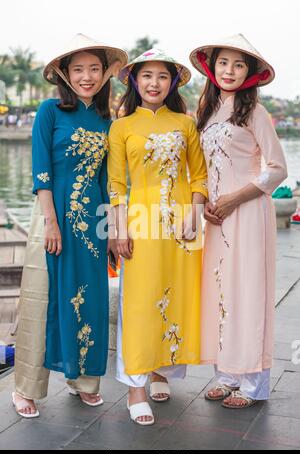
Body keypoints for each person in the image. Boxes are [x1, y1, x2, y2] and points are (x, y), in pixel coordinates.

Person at [12, 34, 127, 418]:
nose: (87, 76)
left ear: (104, 74)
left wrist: (110, 231)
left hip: (91, 224)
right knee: (42, 300)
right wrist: (50, 223)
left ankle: (84, 382)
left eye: (94, 69)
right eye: (78, 69)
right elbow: (41, 172)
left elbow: (106, 181)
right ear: (64, 73)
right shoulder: (49, 111)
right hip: (51, 216)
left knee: (89, 299)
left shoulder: (105, 120)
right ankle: (26, 388)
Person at [108, 49, 208, 425]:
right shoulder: (122, 127)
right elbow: (116, 183)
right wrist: (118, 229)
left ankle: (160, 369)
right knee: (138, 301)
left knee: (177, 295)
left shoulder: (186, 123)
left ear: (173, 82)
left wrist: (195, 214)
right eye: (147, 76)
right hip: (141, 221)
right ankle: (135, 387)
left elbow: (198, 175)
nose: (154, 83)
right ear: (136, 81)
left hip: (182, 225)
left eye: (162, 77)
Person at [189, 34, 288, 408]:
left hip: (246, 214)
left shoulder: (255, 112)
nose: (229, 71)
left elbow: (277, 170)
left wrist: (233, 198)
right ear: (212, 67)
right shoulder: (209, 110)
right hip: (216, 219)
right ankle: (227, 374)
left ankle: (253, 385)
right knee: (219, 291)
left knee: (247, 292)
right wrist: (208, 203)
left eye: (239, 64)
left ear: (250, 72)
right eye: (224, 63)